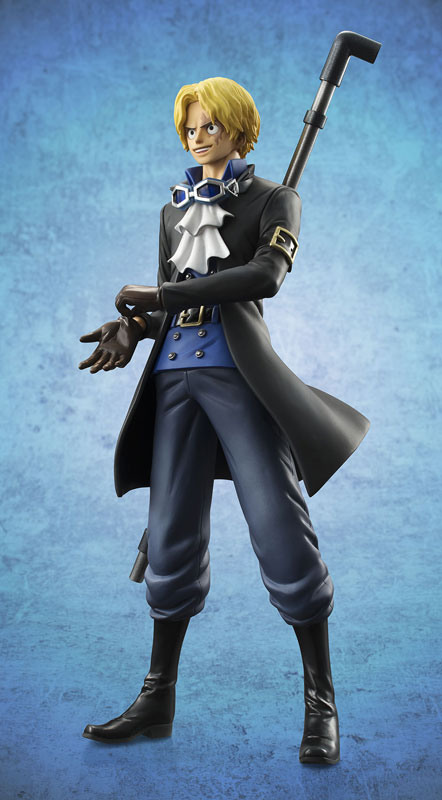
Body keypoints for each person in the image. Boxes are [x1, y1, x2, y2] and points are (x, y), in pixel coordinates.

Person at [79, 77, 369, 763]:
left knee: (280, 530)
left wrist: (159, 295)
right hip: (173, 383)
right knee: (170, 538)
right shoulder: (173, 211)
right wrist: (134, 327)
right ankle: (157, 696)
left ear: (240, 129)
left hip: (239, 379)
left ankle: (321, 701)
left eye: (210, 125)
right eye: (190, 127)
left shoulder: (275, 199)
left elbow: (264, 278)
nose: (198, 136)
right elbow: (177, 304)